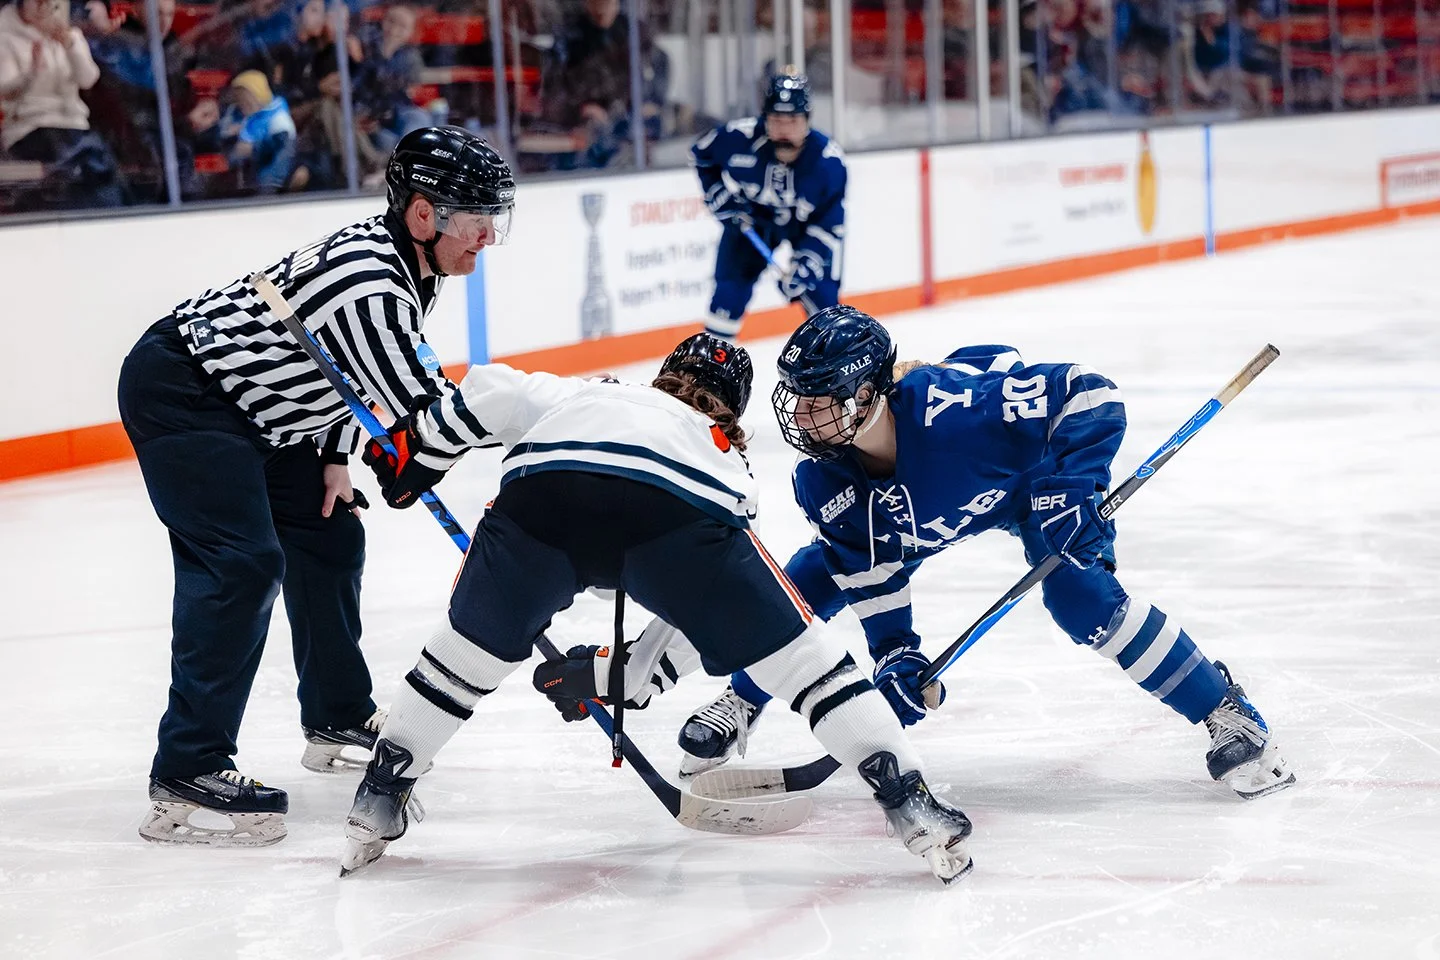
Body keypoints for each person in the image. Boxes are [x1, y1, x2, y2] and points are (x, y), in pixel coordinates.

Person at [577, 305, 1297, 802]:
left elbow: (1090, 394)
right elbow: (872, 573)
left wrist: (1069, 491)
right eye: (794, 399)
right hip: (919, 517)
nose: (801, 417)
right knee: (806, 578)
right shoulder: (821, 475)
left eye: (820, 399)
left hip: (1030, 487)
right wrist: (896, 655)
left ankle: (1227, 711)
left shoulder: (964, 415)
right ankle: (744, 697)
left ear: (868, 393)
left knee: (1079, 596)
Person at [341, 334, 975, 885]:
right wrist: (632, 673)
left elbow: (487, 391)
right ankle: (909, 800)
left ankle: (380, 794)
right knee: (811, 669)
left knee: (459, 661)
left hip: (541, 500)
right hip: (680, 511)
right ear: (734, 408)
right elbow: (696, 611)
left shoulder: (588, 392)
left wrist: (419, 447)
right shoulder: (724, 451)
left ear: (662, 376)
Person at [116, 126, 515, 847]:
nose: (488, 236)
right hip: (189, 395)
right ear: (423, 213)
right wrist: (543, 420)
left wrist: (335, 453)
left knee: (328, 535)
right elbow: (424, 419)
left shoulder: (410, 262)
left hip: (263, 412)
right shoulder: (372, 281)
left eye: (496, 217)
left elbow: (338, 368)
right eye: (477, 216)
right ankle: (187, 771)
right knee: (240, 563)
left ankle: (334, 711)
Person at [691, 70, 847, 341]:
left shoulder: (828, 162)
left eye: (792, 120)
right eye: (776, 120)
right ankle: (712, 369)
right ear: (764, 118)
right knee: (728, 294)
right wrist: (717, 194)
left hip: (805, 228)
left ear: (807, 120)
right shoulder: (738, 138)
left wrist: (807, 262)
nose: (783, 129)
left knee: (823, 299)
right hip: (752, 220)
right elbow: (701, 154)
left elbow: (830, 222)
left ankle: (834, 367)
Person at [0, 0, 124, 209]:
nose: (43, 7)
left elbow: (88, 79)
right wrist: (30, 76)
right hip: (30, 127)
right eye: (37, 2)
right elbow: (5, 91)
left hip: (74, 125)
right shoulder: (4, 36)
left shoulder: (70, 35)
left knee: (105, 167)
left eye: (49, 3)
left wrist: (70, 45)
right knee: (71, 173)